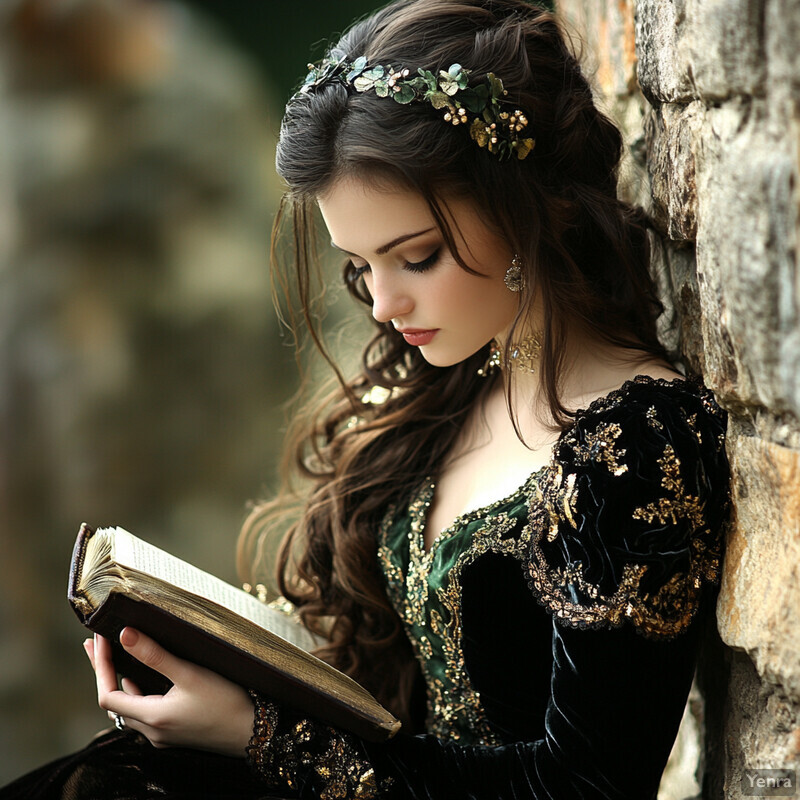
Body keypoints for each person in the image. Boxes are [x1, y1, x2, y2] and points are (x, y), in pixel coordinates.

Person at [2, 0, 732, 798]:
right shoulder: (454, 379)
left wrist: (260, 734)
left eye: (414, 257)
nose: (382, 304)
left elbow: (581, 786)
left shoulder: (642, 441)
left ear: (518, 208)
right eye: (360, 266)